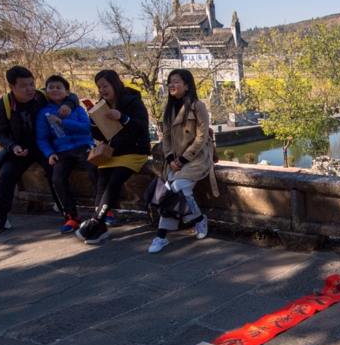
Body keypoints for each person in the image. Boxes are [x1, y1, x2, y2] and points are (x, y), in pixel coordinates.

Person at [0, 66, 79, 236]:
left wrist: (68, 104)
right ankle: (1, 217)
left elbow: (70, 94)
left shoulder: (41, 96)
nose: (30, 89)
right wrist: (12, 146)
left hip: (45, 145)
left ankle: (68, 213)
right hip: (20, 148)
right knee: (6, 175)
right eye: (24, 86)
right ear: (12, 87)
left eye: (32, 84)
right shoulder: (3, 105)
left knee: (55, 171)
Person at [76, 70, 151, 244]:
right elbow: (100, 135)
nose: (103, 90)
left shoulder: (133, 102)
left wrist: (123, 118)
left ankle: (95, 222)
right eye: (99, 87)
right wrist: (94, 119)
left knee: (114, 182)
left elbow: (142, 127)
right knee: (101, 182)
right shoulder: (102, 105)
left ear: (115, 84)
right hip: (113, 151)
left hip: (134, 151)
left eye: (105, 86)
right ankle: (100, 228)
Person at [148, 69, 213, 253]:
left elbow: (201, 138)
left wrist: (183, 159)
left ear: (187, 85)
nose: (171, 85)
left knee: (174, 188)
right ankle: (198, 220)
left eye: (175, 81)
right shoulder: (169, 109)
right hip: (176, 160)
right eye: (169, 82)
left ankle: (162, 236)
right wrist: (171, 159)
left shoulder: (197, 107)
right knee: (175, 191)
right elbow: (166, 138)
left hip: (197, 158)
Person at [35, 75, 97, 234]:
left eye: (58, 87)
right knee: (57, 178)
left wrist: (63, 122)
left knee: (95, 167)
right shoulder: (44, 113)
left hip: (84, 144)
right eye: (51, 88)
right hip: (62, 150)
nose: (55, 90)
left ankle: (102, 208)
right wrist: (49, 153)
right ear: (46, 91)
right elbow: (41, 138)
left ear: (67, 92)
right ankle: (72, 216)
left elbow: (86, 128)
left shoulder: (77, 109)